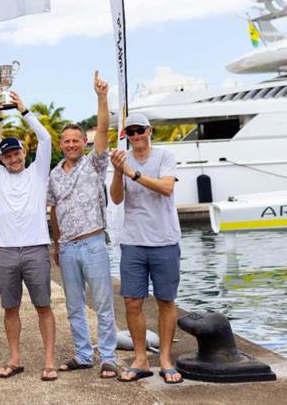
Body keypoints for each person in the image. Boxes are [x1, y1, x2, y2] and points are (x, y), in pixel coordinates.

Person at [0, 91, 58, 382]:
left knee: (43, 306)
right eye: (7, 155)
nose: (13, 158)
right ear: (2, 159)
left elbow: (46, 139)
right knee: (10, 308)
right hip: (6, 251)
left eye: (16, 153)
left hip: (36, 248)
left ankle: (49, 361)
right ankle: (14, 359)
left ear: (24, 153)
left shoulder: (38, 173)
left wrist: (24, 111)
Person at [47, 71, 119, 379]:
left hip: (92, 243)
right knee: (74, 305)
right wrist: (56, 243)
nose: (72, 144)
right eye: (67, 140)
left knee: (103, 303)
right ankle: (82, 354)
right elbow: (53, 209)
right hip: (67, 246)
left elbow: (103, 129)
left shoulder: (95, 162)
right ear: (61, 144)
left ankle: (108, 356)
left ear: (84, 142)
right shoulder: (53, 174)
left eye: (77, 140)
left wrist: (101, 98)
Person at [109, 113, 183, 384]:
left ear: (150, 131)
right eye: (131, 132)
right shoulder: (122, 160)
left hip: (164, 240)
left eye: (140, 130)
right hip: (133, 241)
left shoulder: (165, 156)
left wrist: (133, 173)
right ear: (126, 135)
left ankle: (165, 359)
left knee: (166, 300)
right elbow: (116, 198)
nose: (136, 136)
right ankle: (140, 359)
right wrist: (119, 171)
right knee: (132, 301)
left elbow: (166, 188)